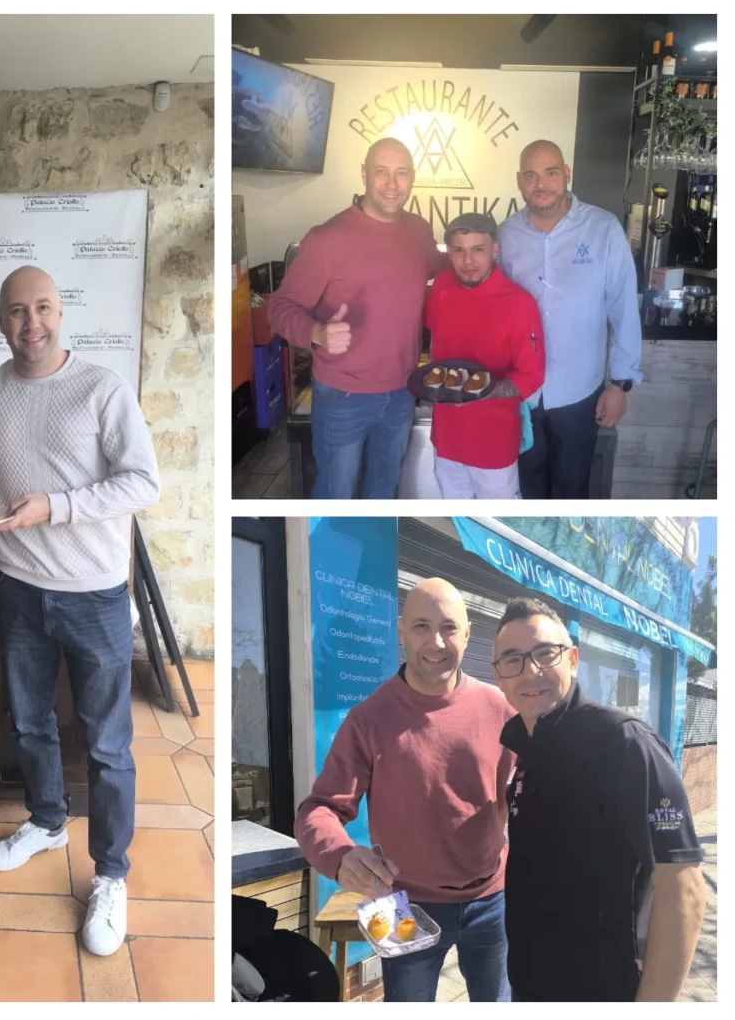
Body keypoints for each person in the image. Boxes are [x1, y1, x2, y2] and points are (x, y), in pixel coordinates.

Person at [0, 265, 160, 957]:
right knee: (31, 722)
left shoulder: (101, 388)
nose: (29, 323)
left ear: (61, 311)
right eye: (15, 311)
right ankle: (45, 821)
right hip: (15, 586)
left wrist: (56, 507)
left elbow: (142, 482)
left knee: (105, 744)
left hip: (94, 593)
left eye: (41, 307)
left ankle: (112, 874)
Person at [294, 578, 516, 1002]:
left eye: (449, 627)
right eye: (421, 626)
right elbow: (317, 810)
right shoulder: (368, 719)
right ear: (400, 631)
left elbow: (533, 792)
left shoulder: (501, 710)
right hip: (401, 904)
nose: (436, 641)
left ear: (468, 635)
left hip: (493, 899)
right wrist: (339, 857)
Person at [492, 597, 707, 1001]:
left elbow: (686, 890)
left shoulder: (624, 743)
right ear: (498, 677)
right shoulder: (526, 751)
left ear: (572, 659)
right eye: (512, 660)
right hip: (530, 987)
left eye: (544, 653)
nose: (530, 670)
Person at [267, 137, 444, 499]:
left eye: (402, 173)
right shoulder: (326, 239)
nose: (392, 184)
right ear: (364, 174)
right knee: (336, 495)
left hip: (400, 394)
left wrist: (480, 255)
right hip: (343, 398)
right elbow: (279, 308)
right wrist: (317, 332)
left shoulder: (419, 231)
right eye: (382, 172)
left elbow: (440, 269)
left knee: (384, 491)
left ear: (412, 178)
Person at [497, 139, 642, 499]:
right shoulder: (505, 234)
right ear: (519, 180)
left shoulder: (603, 229)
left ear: (566, 173)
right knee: (524, 490)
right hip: (522, 393)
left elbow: (623, 308)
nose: (540, 183)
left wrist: (620, 384)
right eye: (531, 175)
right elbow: (494, 309)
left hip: (581, 392)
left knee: (572, 491)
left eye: (550, 173)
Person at [426, 213, 545, 499]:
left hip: (493, 445)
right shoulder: (441, 287)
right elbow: (434, 341)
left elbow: (532, 376)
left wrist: (483, 390)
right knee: (456, 523)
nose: (468, 261)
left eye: (478, 249)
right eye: (459, 251)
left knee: (498, 522)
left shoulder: (518, 303)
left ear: (494, 249)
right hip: (446, 438)